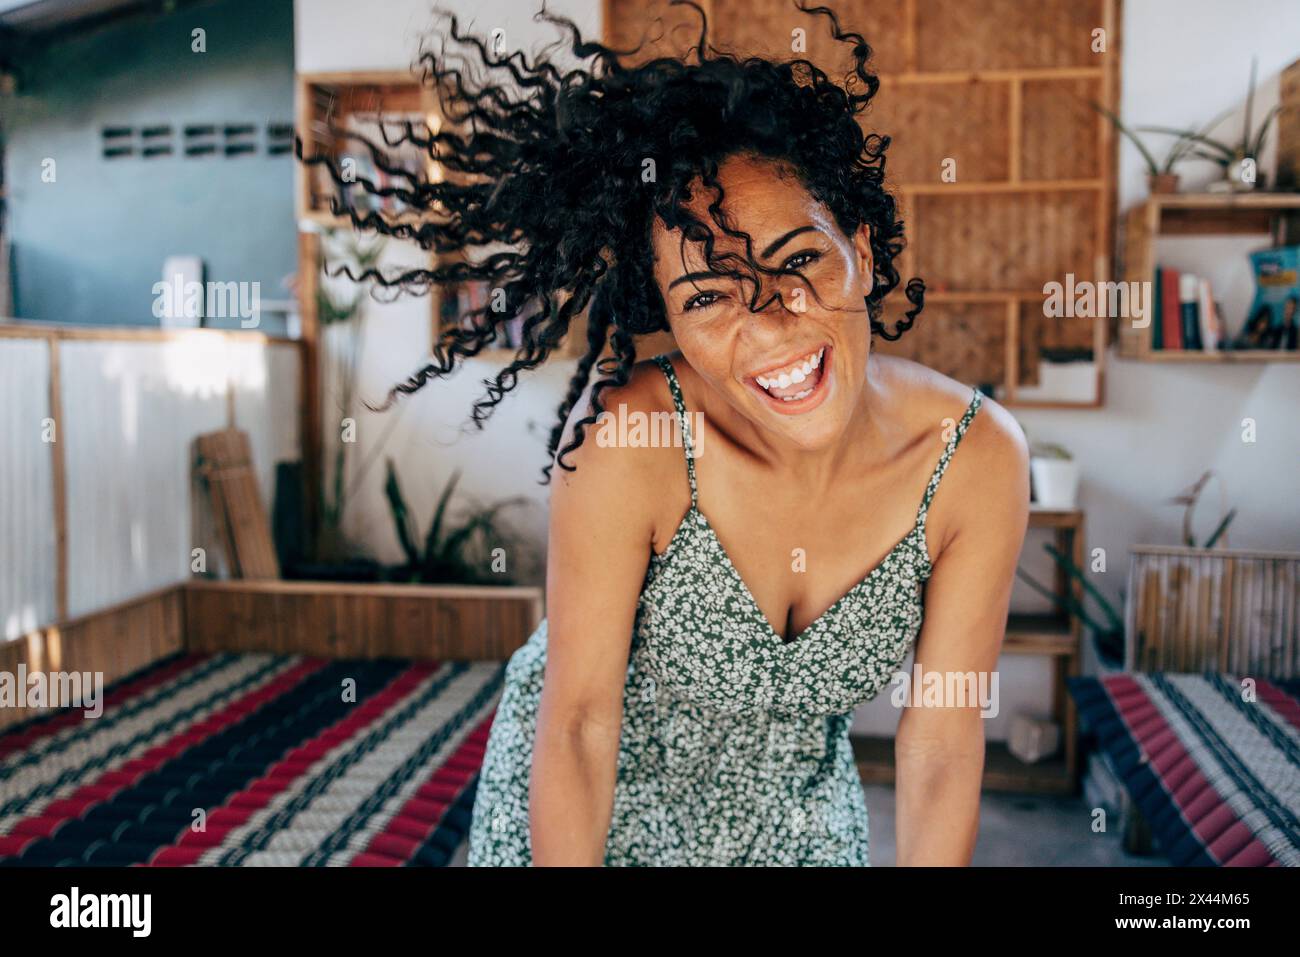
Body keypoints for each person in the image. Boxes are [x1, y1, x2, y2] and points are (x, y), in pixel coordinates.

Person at [299, 1, 1029, 866]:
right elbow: (577, 724)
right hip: (591, 810)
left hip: (795, 821)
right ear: (670, 322)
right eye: (708, 297)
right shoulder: (634, 442)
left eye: (798, 260)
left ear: (861, 252)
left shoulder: (974, 460)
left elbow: (944, 736)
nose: (768, 323)